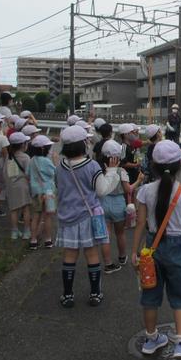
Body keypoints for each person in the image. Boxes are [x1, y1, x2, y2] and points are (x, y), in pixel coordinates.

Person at [131, 140, 181, 360]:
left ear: (153, 166)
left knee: (150, 294)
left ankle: (151, 339)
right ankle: (180, 342)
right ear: (180, 164)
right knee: (180, 296)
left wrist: (135, 252)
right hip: (177, 246)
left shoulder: (144, 191)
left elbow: (140, 223)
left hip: (151, 247)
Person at [55, 125, 122, 308]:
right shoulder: (91, 165)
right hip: (87, 216)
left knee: (69, 255)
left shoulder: (60, 166)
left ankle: (68, 294)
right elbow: (101, 190)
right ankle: (95, 293)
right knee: (91, 254)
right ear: (83, 144)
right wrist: (112, 172)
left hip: (67, 217)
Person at [98, 139, 134, 274]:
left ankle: (108, 263)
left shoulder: (99, 169)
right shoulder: (121, 171)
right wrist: (139, 181)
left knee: (105, 236)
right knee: (120, 233)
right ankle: (122, 257)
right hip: (118, 203)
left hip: (103, 202)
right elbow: (127, 189)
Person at [27, 135, 56, 250]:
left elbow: (27, 174)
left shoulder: (32, 160)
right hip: (47, 191)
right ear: (44, 148)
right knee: (47, 217)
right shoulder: (46, 161)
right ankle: (48, 240)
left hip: (35, 192)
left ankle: (33, 240)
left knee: (36, 216)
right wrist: (55, 162)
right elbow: (54, 173)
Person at [5, 132, 33, 241]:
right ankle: (26, 231)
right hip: (23, 186)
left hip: (11, 185)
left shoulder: (8, 156)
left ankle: (14, 231)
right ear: (23, 145)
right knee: (26, 209)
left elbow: (5, 172)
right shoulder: (25, 157)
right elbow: (29, 173)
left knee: (14, 210)